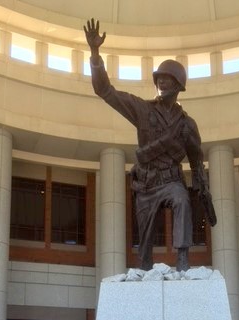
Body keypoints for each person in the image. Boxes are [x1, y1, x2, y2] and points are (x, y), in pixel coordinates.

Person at [83, 18, 216, 272]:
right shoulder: (143, 110)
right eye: (159, 79)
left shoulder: (187, 124)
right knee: (144, 250)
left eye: (167, 80)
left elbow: (197, 160)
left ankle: (183, 261)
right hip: (146, 184)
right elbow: (105, 91)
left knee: (181, 200)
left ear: (178, 86)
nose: (161, 83)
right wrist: (95, 53)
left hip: (171, 181)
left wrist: (202, 187)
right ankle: (144, 268)